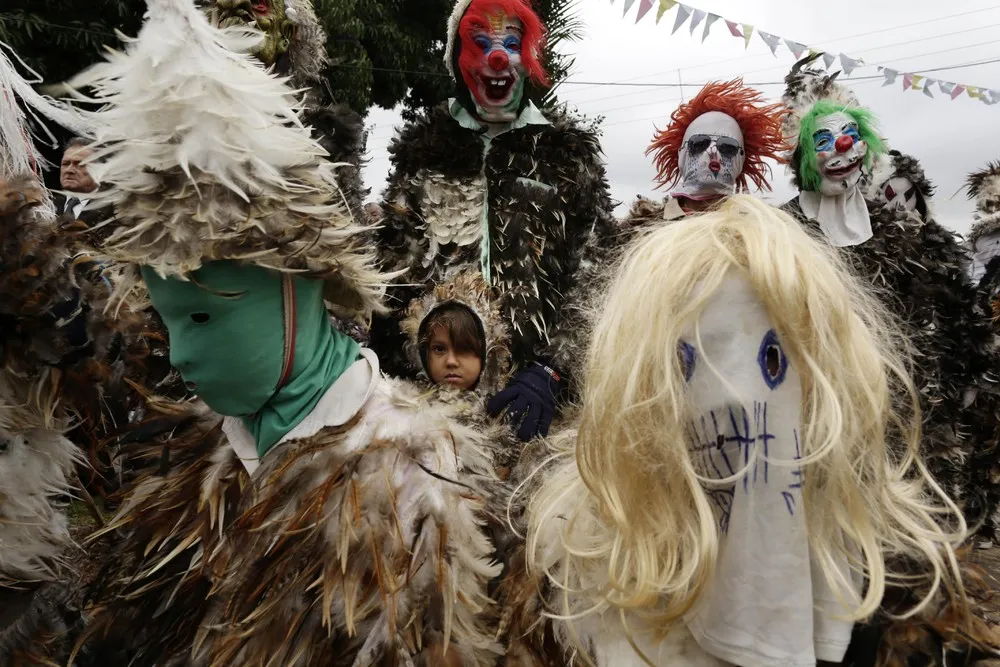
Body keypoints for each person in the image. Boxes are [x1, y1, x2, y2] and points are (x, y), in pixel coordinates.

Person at [75, 3, 504, 664]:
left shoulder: (412, 470)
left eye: (203, 317)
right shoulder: (199, 448)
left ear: (298, 284)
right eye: (169, 320)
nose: (180, 353)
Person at [500, 196, 995, 666]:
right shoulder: (574, 577)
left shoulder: (903, 595)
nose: (734, 399)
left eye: (773, 361)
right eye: (694, 362)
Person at [373, 0, 617, 442]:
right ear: (456, 57)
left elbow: (598, 271)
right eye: (480, 43)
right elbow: (391, 274)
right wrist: (396, 371)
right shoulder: (424, 149)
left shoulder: (566, 152)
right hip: (430, 403)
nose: (498, 57)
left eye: (511, 43)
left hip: (540, 406)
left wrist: (554, 369)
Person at [781, 54, 1000, 544]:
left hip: (897, 422)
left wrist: (962, 379)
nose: (842, 147)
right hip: (810, 418)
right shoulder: (782, 230)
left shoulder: (901, 233)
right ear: (802, 157)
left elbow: (946, 314)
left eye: (850, 135)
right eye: (823, 140)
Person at [625, 78, 788, 226]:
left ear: (741, 159)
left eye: (727, 146)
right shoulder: (642, 229)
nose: (712, 151)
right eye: (699, 143)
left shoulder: (762, 229)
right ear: (682, 154)